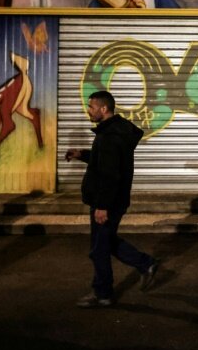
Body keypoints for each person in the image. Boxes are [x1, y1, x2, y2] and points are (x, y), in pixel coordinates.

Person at [65, 91, 159, 308]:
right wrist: (83, 154)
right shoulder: (116, 131)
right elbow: (105, 161)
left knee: (99, 249)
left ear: (103, 109)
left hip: (108, 201)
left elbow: (110, 174)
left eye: (91, 107)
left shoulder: (109, 136)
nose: (88, 110)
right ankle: (145, 264)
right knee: (104, 242)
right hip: (114, 200)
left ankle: (103, 294)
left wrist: (102, 206)